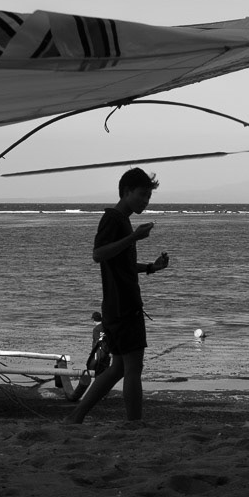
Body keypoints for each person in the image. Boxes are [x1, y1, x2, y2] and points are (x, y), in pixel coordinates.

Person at [65, 166, 170, 425]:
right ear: (126, 192)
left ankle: (76, 416)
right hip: (123, 307)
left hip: (117, 306)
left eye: (148, 196)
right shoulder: (113, 219)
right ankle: (135, 424)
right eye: (142, 195)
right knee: (133, 369)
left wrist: (150, 268)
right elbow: (98, 254)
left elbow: (120, 262)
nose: (145, 201)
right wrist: (134, 237)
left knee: (119, 368)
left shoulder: (122, 220)